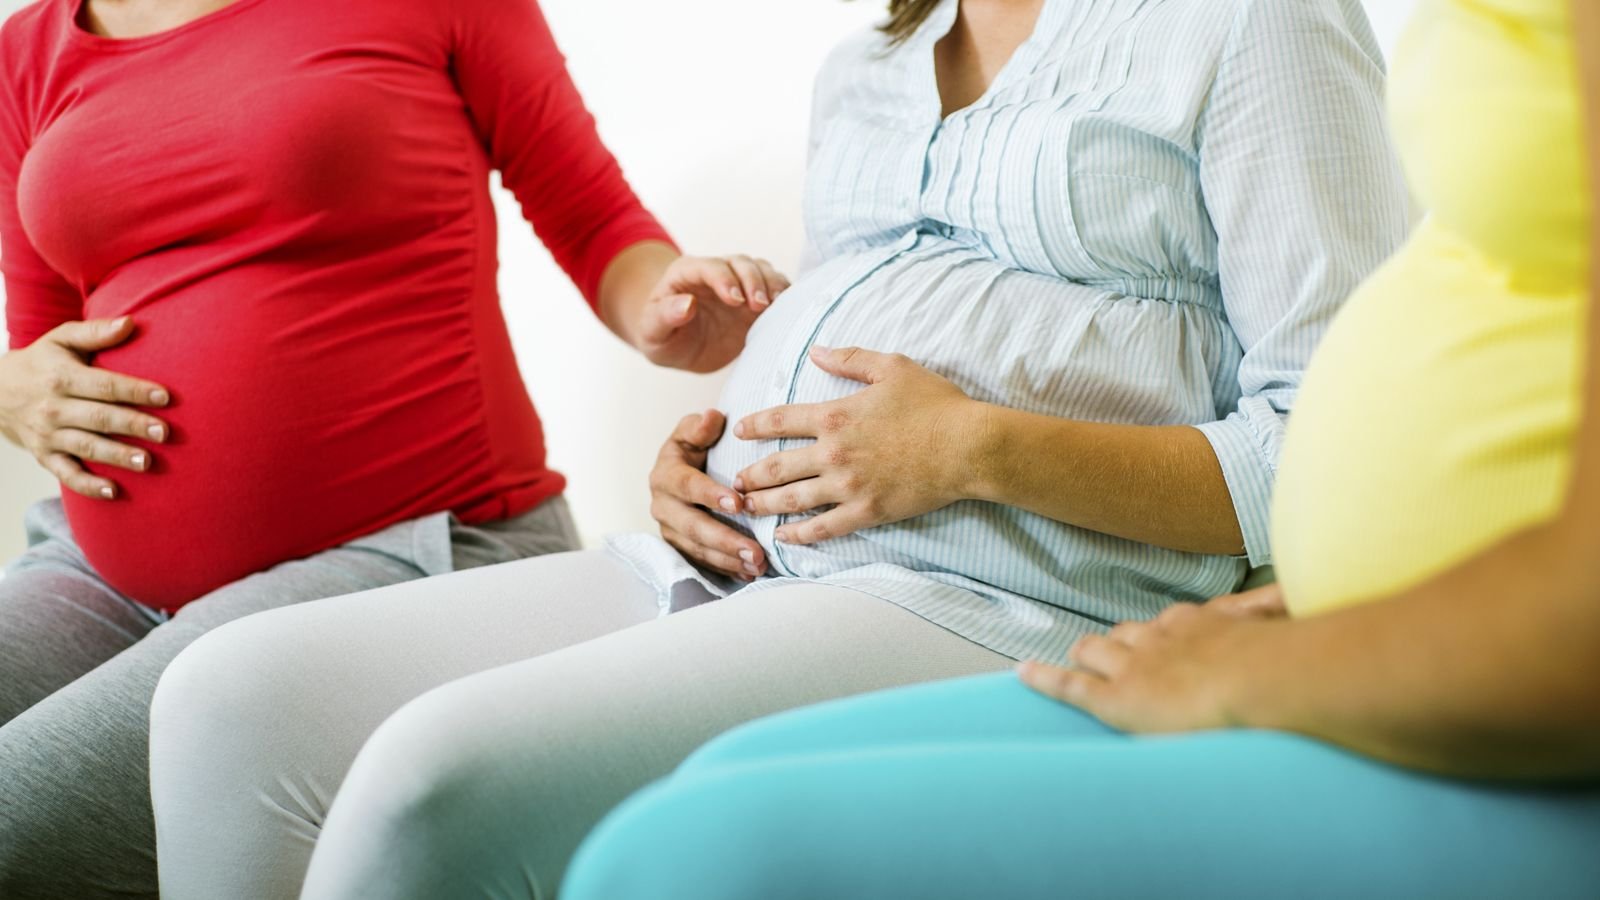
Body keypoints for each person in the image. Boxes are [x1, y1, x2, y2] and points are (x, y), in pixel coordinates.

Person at [147, 0, 1409, 896]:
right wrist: (704, 460)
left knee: (433, 787)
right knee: (227, 697)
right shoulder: (870, 60)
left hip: (992, 593)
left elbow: (1331, 460)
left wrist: (974, 452)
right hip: (740, 558)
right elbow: (866, 335)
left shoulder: (1253, 23)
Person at [558, 0, 1600, 897]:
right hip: (767, 558)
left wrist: (1269, 667)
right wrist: (729, 449)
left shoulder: (1247, 26)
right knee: (673, 802)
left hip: (1031, 591)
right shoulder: (869, 64)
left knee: (662, 848)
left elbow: (1306, 432)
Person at [0, 0, 786, 895]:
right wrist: (8, 389)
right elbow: (45, 344)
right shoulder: (27, 50)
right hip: (99, 569)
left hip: (411, 541)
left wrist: (665, 312)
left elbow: (593, 216)